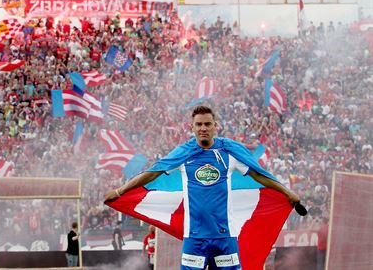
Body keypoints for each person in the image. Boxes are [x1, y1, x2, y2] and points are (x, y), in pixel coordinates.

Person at [105, 106, 300, 270]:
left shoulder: (229, 153)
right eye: (199, 124)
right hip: (195, 238)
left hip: (225, 237)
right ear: (192, 127)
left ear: (216, 126)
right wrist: (121, 191)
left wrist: (287, 192)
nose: (203, 128)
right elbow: (153, 172)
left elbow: (260, 175)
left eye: (207, 124)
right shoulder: (184, 153)